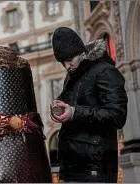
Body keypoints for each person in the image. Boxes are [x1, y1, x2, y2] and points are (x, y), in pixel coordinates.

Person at [50, 27, 128, 183]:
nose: (67, 66)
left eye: (69, 60)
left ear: (81, 52)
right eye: (62, 62)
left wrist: (73, 112)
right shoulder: (72, 76)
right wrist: (58, 107)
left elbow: (117, 115)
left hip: (96, 169)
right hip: (73, 168)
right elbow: (73, 105)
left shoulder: (105, 71)